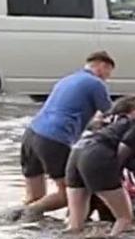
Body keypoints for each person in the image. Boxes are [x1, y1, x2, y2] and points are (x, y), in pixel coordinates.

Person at [19, 51, 117, 217]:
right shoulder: (96, 83)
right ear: (102, 65)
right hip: (54, 140)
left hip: (31, 135)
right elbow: (112, 114)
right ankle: (27, 214)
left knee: (35, 197)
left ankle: (24, 226)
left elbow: (69, 114)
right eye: (109, 72)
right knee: (70, 195)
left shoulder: (68, 80)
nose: (108, 77)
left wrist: (94, 125)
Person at [65, 99, 135, 236]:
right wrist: (116, 170)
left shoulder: (121, 124)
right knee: (125, 218)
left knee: (76, 221)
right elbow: (125, 146)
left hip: (78, 151)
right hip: (97, 156)